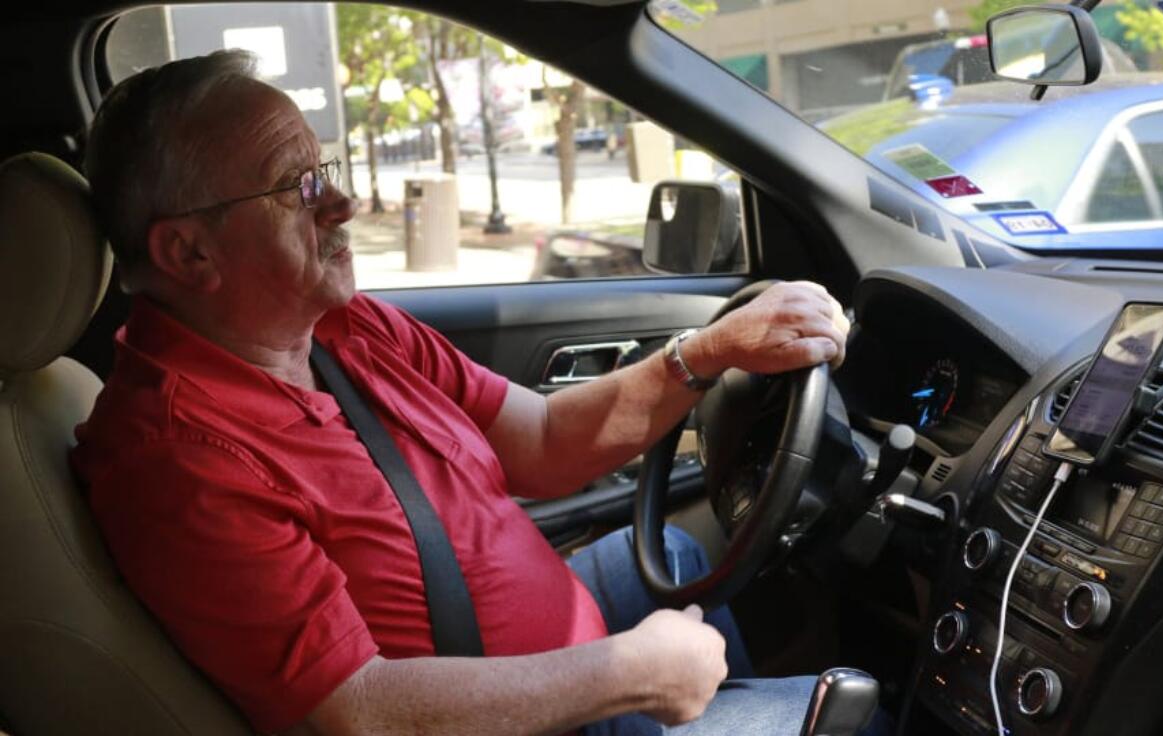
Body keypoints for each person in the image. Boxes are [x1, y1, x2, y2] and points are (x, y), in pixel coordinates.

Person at [72, 50, 863, 736]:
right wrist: (634, 674)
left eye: (325, 172)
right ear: (187, 251)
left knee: (679, 552)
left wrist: (706, 353)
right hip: (490, 714)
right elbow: (357, 710)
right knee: (857, 714)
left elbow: (545, 440)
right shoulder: (175, 460)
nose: (343, 206)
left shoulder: (346, 329)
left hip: (545, 651)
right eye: (296, 187)